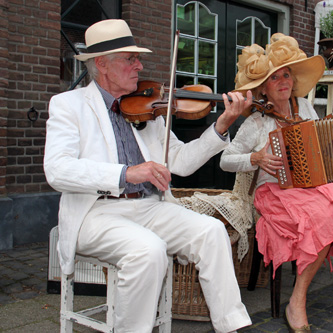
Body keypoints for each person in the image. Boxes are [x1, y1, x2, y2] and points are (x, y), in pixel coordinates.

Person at [44, 19, 253, 333]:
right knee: (148, 250)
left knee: (212, 232)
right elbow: (57, 169)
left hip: (150, 207)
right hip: (96, 212)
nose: (139, 65)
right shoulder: (68, 106)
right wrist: (126, 173)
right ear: (101, 63)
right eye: (130, 58)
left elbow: (180, 162)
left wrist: (221, 125)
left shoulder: (147, 105)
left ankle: (231, 325)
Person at [220, 33, 333, 332]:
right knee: (323, 214)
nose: (284, 81)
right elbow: (225, 160)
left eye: (287, 75)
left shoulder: (306, 110)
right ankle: (296, 302)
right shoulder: (256, 122)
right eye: (275, 79)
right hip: (273, 193)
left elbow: (332, 141)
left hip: (310, 187)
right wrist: (256, 158)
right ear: (263, 89)